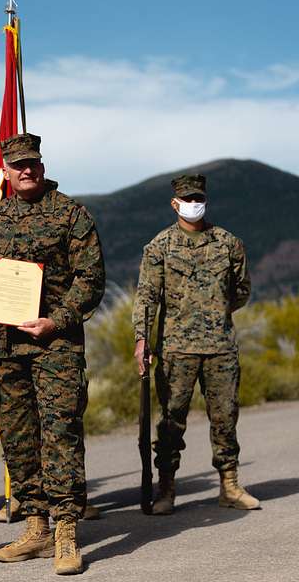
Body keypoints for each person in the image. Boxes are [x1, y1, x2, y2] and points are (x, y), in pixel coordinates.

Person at [0, 133, 105, 576]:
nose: (26, 170)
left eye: (32, 162)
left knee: (60, 433)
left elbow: (90, 278)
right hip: (10, 347)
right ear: (7, 170)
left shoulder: (71, 214)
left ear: (41, 163)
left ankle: (66, 530)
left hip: (57, 344)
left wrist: (58, 319)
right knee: (17, 434)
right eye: (17, 165)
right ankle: (35, 525)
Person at [132, 174, 260, 515]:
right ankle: (166, 488)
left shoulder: (227, 243)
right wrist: (142, 340)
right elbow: (147, 298)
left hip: (220, 346)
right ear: (175, 204)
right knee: (171, 421)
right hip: (176, 349)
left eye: (198, 197)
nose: (193, 204)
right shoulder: (160, 246)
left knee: (225, 417)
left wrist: (214, 311)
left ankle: (230, 486)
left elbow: (241, 290)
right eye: (187, 199)